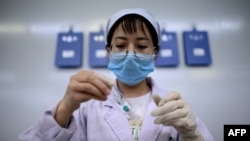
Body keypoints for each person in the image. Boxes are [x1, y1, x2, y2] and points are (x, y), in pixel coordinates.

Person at [19, 8, 215, 141]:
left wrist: (194, 136)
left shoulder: (174, 105)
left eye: (142, 46)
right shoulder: (87, 106)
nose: (130, 54)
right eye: (121, 45)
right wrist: (65, 107)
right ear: (108, 51)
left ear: (155, 51)